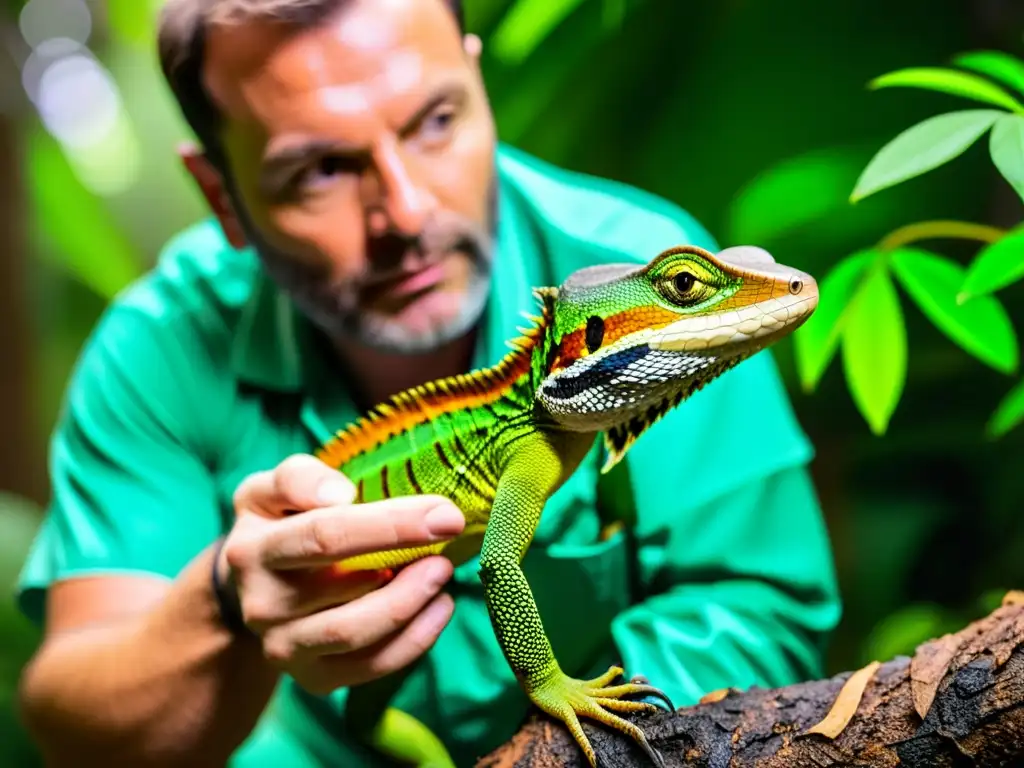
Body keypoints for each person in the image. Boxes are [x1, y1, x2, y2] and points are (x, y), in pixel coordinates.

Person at [15, 0, 842, 765]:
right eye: (319, 170)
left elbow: (762, 606)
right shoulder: (156, 349)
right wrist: (229, 598)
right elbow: (70, 715)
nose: (405, 214)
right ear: (219, 194)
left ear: (477, 79)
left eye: (435, 121)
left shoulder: (651, 279)